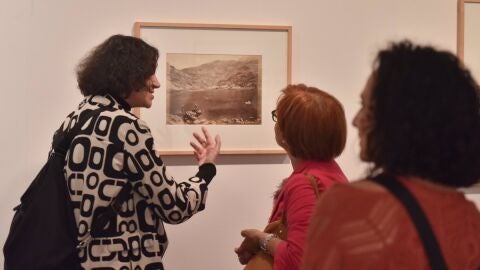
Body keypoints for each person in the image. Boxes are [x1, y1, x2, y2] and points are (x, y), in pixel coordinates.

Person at [301, 41, 480, 270]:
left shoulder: (349, 206)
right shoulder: (469, 220)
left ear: (400, 122)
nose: (356, 120)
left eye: (367, 107)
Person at [54, 34, 221, 269]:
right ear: (128, 75)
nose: (157, 82)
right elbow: (174, 206)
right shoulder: (126, 127)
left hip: (77, 260)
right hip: (122, 261)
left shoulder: (75, 119)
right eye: (149, 73)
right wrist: (206, 170)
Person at [235, 84, 348, 269]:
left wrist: (261, 239)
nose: (276, 123)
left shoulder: (304, 183)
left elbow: (300, 259)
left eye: (278, 117)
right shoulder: (332, 173)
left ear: (289, 133)